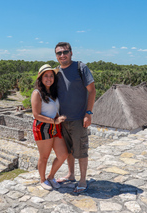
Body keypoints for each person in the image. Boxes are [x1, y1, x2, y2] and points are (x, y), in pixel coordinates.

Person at [55, 42, 96, 194]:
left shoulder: (80, 68)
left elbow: (91, 91)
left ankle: (83, 180)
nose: (62, 55)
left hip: (79, 118)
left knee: (81, 151)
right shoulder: (56, 71)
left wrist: (88, 113)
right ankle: (71, 174)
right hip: (63, 121)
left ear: (71, 53)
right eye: (59, 53)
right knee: (69, 151)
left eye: (65, 52)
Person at [31, 64, 68, 190]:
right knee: (44, 156)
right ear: (40, 78)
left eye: (51, 76)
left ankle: (51, 176)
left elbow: (54, 109)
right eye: (46, 76)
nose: (49, 78)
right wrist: (54, 121)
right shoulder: (37, 93)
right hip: (43, 127)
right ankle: (42, 180)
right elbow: (36, 115)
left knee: (63, 154)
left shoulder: (52, 92)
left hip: (54, 126)